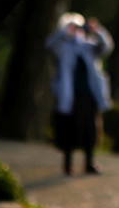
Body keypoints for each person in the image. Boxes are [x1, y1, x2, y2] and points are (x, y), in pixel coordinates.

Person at [46, 12, 113, 176]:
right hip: (70, 97)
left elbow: (107, 46)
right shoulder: (63, 48)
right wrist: (66, 31)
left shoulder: (89, 46)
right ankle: (67, 165)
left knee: (90, 130)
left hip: (89, 97)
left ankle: (89, 163)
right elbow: (49, 44)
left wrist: (96, 30)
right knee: (68, 130)